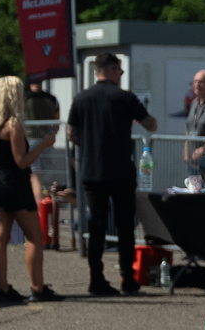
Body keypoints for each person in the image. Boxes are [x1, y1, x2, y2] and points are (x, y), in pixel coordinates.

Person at [67, 49, 157, 297]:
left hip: (92, 170)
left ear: (97, 71)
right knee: (125, 225)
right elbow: (151, 124)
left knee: (96, 225)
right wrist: (135, 120)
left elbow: (71, 134)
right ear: (114, 70)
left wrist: (89, 145)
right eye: (120, 70)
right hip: (120, 170)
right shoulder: (125, 98)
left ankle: (96, 279)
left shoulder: (81, 98)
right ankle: (127, 279)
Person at [0, 75, 59, 303]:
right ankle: (38, 288)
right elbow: (22, 161)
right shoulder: (13, 124)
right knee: (34, 236)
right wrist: (44, 143)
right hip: (14, 184)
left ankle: (3, 289)